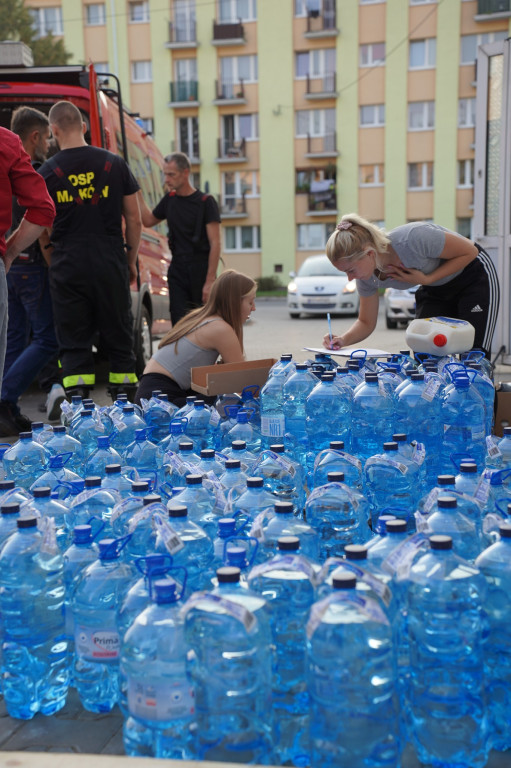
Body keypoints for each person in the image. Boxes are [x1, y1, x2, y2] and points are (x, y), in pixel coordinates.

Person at [39, 100, 142, 401]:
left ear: (54, 130)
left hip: (67, 263)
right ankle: (124, 407)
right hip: (110, 258)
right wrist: (130, 261)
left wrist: (53, 262)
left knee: (72, 341)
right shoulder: (115, 163)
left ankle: (79, 409)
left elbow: (41, 227)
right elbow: (134, 218)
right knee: (119, 335)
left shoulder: (46, 173)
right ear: (83, 127)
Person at [323, 214, 500, 358]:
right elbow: (366, 322)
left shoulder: (413, 238)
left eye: (350, 270)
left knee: (475, 357)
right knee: (424, 351)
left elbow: (470, 251)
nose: (349, 279)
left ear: (369, 254)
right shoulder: (366, 277)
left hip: (472, 275)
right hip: (434, 287)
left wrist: (427, 279)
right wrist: (343, 340)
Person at [0, 108, 65, 436]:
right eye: (46, 138)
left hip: (12, 273)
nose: (49, 145)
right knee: (47, 338)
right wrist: (13, 251)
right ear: (35, 136)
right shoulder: (15, 156)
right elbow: (41, 216)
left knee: (13, 339)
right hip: (26, 267)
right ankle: (5, 397)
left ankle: (7, 407)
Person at [134, 269, 256, 406]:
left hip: (150, 394)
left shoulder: (201, 318)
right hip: (162, 399)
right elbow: (240, 382)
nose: (254, 308)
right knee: (233, 401)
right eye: (250, 302)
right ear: (235, 302)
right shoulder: (220, 329)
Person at [137, 151, 221, 326]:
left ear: (185, 173)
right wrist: (135, 191)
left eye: (171, 175)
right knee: (179, 324)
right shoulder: (170, 200)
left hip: (201, 270)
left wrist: (209, 281)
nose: (166, 179)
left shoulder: (206, 202)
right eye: (164, 174)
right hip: (177, 270)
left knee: (203, 324)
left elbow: (215, 243)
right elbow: (147, 220)